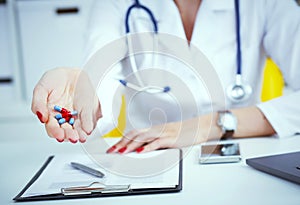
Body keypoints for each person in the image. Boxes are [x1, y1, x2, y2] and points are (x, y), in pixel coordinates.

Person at [31, 0, 300, 154]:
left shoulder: (267, 3)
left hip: (239, 155)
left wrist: (209, 125)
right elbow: (100, 86)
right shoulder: (114, 3)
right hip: (148, 159)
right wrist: (82, 98)